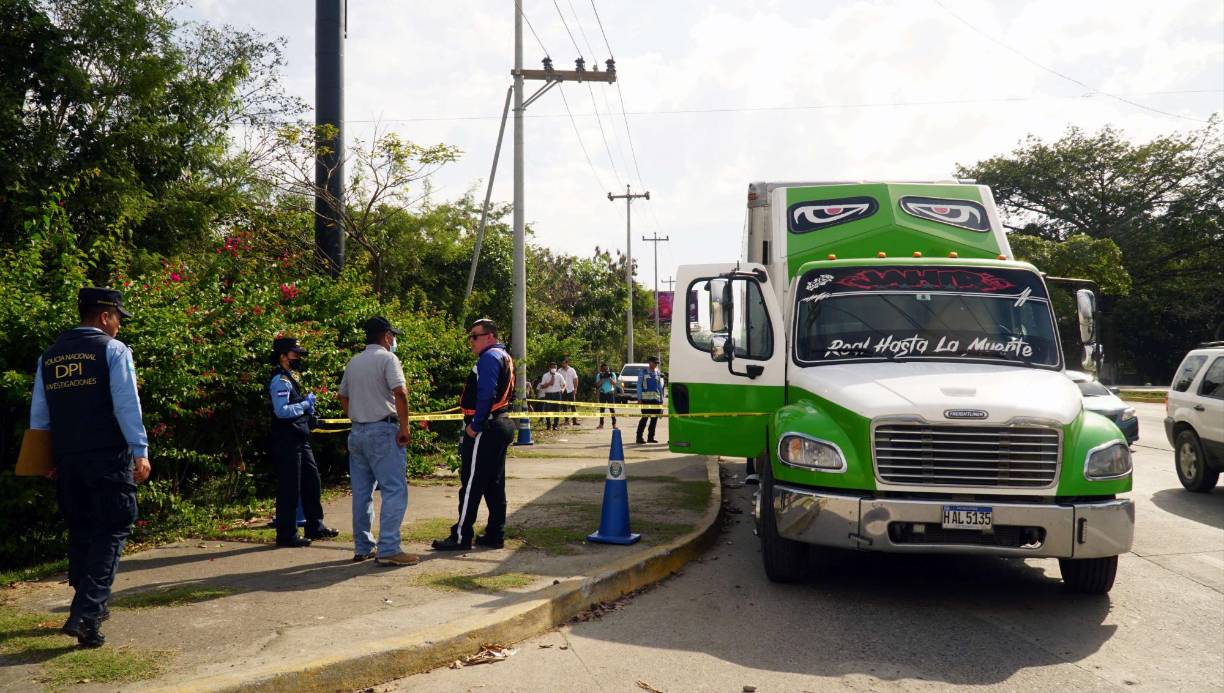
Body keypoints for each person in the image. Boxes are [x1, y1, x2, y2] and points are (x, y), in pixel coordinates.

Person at [29, 287, 151, 648]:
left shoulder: (49, 357)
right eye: (117, 319)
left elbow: (39, 414)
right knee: (113, 528)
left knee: (81, 531)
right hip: (107, 458)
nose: (118, 326)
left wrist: (45, 457)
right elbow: (126, 405)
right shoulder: (113, 350)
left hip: (68, 460)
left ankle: (87, 612)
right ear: (104, 316)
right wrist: (139, 450)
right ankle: (87, 612)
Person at [338, 316, 417, 566]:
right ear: (385, 336)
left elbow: (342, 396)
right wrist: (404, 427)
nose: (393, 340)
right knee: (394, 490)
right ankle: (389, 549)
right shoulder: (388, 358)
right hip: (383, 431)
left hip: (357, 432)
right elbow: (400, 393)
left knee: (362, 493)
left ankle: (363, 546)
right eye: (392, 335)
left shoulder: (354, 362)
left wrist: (357, 415)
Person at [432, 318, 516, 551]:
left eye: (474, 336)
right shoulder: (504, 356)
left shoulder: (489, 357)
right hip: (500, 423)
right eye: (470, 336)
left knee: (471, 482)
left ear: (489, 336)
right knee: (494, 483)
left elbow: (486, 394)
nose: (471, 341)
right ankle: (494, 534)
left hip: (487, 426)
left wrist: (476, 425)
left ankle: (461, 536)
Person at [267, 337, 338, 548]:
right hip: (287, 439)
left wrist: (307, 410)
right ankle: (287, 534)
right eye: (294, 353)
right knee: (290, 487)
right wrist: (305, 405)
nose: (298, 357)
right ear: (282, 356)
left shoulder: (291, 377)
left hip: (299, 437)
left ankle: (315, 526)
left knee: (311, 480)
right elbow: (281, 411)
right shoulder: (280, 380)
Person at [635, 356, 665, 444]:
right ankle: (639, 437)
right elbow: (639, 386)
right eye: (655, 363)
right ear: (650, 362)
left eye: (657, 363)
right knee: (644, 418)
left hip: (656, 400)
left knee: (654, 419)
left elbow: (660, 387)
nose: (656, 365)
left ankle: (650, 437)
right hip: (645, 400)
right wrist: (639, 398)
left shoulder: (658, 373)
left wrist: (661, 400)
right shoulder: (643, 372)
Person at [537, 361, 564, 430]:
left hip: (557, 394)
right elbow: (542, 386)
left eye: (555, 367)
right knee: (547, 410)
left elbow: (564, 384)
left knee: (557, 410)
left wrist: (563, 389)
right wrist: (549, 383)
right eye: (552, 367)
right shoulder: (545, 375)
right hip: (548, 394)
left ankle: (555, 425)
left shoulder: (559, 375)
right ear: (549, 368)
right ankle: (548, 424)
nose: (554, 369)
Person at [595, 363, 623, 430]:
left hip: (610, 393)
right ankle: (601, 424)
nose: (606, 370)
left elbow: (614, 384)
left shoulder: (612, 374)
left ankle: (614, 424)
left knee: (612, 410)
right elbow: (597, 385)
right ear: (601, 369)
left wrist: (609, 378)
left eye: (607, 369)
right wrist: (603, 379)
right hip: (602, 393)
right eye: (604, 369)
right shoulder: (599, 375)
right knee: (602, 410)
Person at [559, 356, 580, 426]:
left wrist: (576, 388)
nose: (562, 364)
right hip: (563, 390)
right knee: (564, 406)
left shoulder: (572, 370)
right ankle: (566, 421)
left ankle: (574, 421)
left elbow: (576, 379)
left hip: (571, 390)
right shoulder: (559, 371)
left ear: (567, 363)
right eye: (562, 363)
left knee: (573, 406)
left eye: (564, 363)